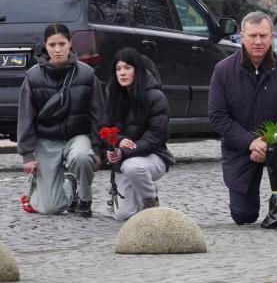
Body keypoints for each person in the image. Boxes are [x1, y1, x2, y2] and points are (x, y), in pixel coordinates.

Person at [208, 11, 277, 225]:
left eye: (263, 35)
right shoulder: (223, 70)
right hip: (240, 147)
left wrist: (267, 142)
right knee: (244, 215)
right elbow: (218, 115)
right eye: (253, 36)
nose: (258, 41)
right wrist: (250, 143)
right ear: (242, 36)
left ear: (272, 36)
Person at [16, 23, 105, 216]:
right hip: (46, 140)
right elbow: (25, 117)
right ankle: (69, 186)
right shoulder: (32, 76)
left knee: (82, 157)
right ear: (45, 46)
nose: (57, 50)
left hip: (77, 136)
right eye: (52, 45)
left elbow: (98, 115)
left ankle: (84, 198)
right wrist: (28, 155)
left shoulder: (87, 74)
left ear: (70, 44)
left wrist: (97, 150)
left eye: (62, 44)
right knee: (51, 208)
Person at [104, 48, 175, 220]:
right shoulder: (112, 94)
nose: (122, 73)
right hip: (123, 159)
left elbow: (155, 136)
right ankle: (139, 188)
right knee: (123, 215)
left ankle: (150, 198)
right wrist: (116, 144)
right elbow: (104, 127)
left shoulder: (156, 97)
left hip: (153, 156)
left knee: (133, 167)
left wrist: (124, 151)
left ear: (138, 70)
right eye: (118, 69)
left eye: (127, 68)